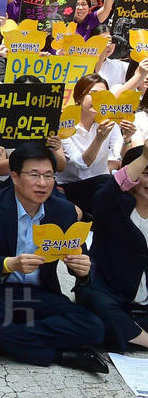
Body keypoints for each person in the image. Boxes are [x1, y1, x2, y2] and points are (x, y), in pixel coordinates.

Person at [0, 142, 108, 373]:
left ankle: (13, 341)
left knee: (94, 327)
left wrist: (84, 269)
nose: (42, 183)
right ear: (15, 177)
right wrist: (10, 264)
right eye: (34, 175)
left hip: (39, 293)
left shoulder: (63, 211)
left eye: (49, 176)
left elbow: (78, 255)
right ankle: (60, 354)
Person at [77, 145, 148, 351]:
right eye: (145, 174)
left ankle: (129, 334)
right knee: (95, 305)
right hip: (110, 294)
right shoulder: (112, 205)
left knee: (103, 328)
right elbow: (109, 191)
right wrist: (143, 158)